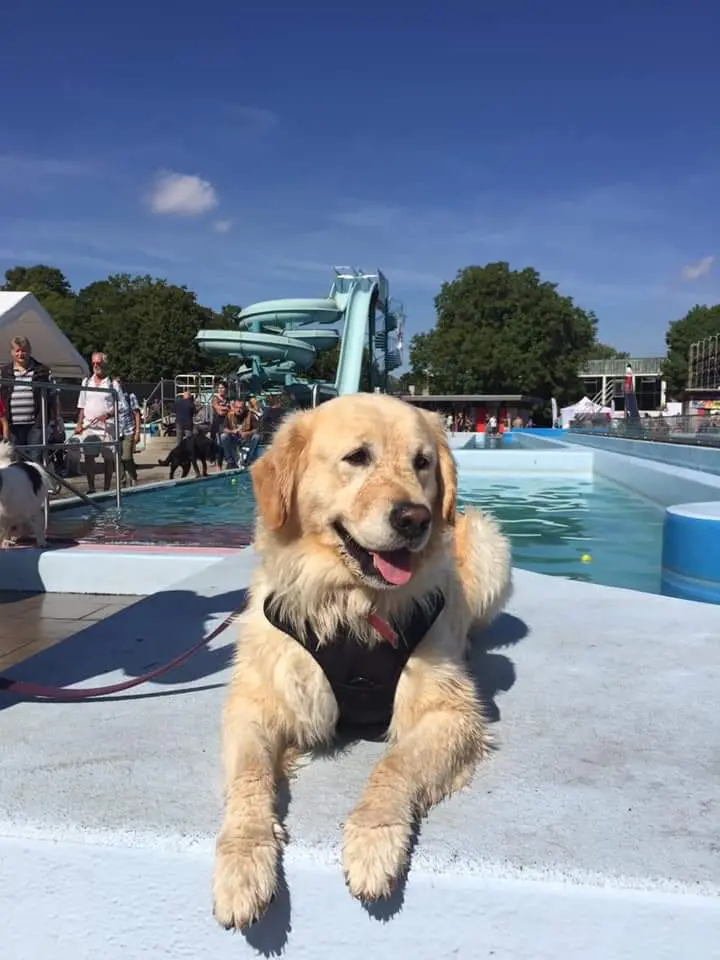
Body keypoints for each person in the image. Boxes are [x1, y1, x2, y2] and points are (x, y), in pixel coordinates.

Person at [71, 352, 119, 494]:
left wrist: (109, 414)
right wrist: (79, 424)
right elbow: (81, 406)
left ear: (105, 364)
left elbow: (121, 406)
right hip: (89, 427)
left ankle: (106, 489)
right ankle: (91, 488)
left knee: (108, 459)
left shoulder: (113, 384)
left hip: (107, 427)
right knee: (89, 457)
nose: (96, 365)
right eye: (94, 363)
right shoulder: (86, 382)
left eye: (99, 363)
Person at [0, 335, 52, 462]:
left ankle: (37, 482)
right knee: (15, 460)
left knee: (34, 460)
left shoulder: (42, 371)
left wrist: (52, 420)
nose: (20, 354)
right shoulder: (4, 372)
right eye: (17, 350)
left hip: (35, 424)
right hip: (12, 425)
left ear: (29, 351)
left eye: (23, 350)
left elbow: (53, 396)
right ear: (12, 352)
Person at [113, 375, 142, 487]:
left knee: (127, 457)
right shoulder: (112, 395)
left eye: (119, 382)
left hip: (128, 430)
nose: (118, 384)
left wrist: (138, 431)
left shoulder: (130, 395)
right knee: (117, 458)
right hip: (116, 430)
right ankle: (122, 481)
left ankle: (133, 476)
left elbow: (136, 413)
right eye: (116, 382)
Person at [220, 399, 257, 468]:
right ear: (233, 408)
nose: (238, 410)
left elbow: (256, 429)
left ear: (244, 408)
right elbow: (224, 428)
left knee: (256, 437)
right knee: (223, 436)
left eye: (241, 408)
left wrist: (247, 433)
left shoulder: (250, 415)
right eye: (237, 407)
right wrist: (232, 431)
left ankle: (248, 460)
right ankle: (230, 461)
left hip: (246, 439)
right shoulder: (229, 415)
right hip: (234, 438)